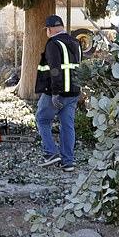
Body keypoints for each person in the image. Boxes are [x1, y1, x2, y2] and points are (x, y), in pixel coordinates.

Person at [35, 14, 82, 172]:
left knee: (42, 120)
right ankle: (68, 162)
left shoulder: (53, 44)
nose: (47, 32)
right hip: (74, 92)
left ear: (50, 29)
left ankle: (51, 153)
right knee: (67, 126)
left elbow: (55, 69)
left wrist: (55, 93)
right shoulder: (76, 42)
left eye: (47, 29)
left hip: (56, 93)